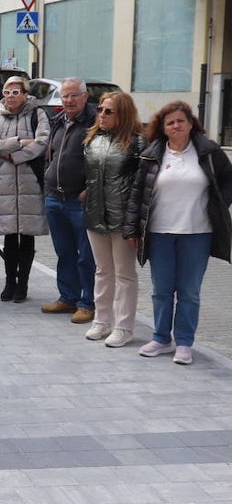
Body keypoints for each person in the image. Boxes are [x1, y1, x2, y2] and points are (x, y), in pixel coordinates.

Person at [125, 101, 232, 365]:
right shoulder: (152, 154)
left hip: (198, 233)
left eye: (180, 121)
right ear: (163, 128)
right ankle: (162, 338)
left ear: (191, 123)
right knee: (161, 289)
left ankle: (184, 342)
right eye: (170, 122)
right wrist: (130, 228)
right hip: (159, 232)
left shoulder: (208, 151)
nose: (176, 126)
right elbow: (137, 193)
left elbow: (229, 179)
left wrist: (220, 203)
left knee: (189, 291)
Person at [81, 91, 143, 348]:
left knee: (125, 274)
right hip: (95, 214)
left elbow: (143, 185)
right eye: (100, 110)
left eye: (109, 111)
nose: (102, 115)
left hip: (123, 218)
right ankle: (102, 320)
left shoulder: (137, 143)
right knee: (102, 270)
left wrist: (136, 218)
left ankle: (124, 326)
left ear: (123, 114)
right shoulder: (92, 139)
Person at [0, 76, 49, 303]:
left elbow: (42, 143)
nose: (10, 96)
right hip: (6, 183)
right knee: (9, 236)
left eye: (15, 92)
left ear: (25, 94)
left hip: (31, 182)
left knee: (27, 235)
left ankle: (23, 284)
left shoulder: (37, 114)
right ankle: (10, 281)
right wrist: (20, 142)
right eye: (7, 92)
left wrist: (13, 154)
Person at [42, 77, 97, 323]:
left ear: (85, 97)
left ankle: (87, 303)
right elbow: (50, 156)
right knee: (64, 253)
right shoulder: (58, 121)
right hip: (55, 198)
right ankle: (68, 297)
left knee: (86, 256)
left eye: (74, 95)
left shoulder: (95, 123)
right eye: (65, 96)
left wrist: (90, 189)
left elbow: (102, 161)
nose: (69, 100)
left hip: (80, 201)